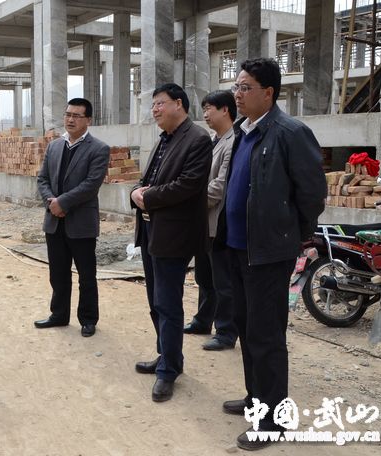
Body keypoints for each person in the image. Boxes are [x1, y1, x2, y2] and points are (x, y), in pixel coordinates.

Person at [216, 58, 326, 450]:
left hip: (267, 254)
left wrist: (293, 236)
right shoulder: (243, 132)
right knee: (247, 329)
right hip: (237, 249)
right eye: (236, 86)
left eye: (245, 87)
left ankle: (274, 421)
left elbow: (312, 194)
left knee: (266, 336)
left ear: (268, 93)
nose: (237, 94)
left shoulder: (290, 132)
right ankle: (255, 400)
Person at [130, 83, 212, 402]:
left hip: (174, 235)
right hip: (151, 231)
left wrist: (147, 196)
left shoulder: (197, 139)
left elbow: (188, 185)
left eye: (160, 103)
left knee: (167, 302)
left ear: (178, 104)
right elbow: (147, 179)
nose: (155, 110)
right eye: (152, 105)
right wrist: (136, 192)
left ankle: (169, 371)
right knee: (155, 300)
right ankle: (167, 355)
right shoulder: (164, 139)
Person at [34, 98, 110, 337]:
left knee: (86, 275)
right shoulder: (55, 146)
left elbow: (91, 185)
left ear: (88, 120)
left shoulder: (98, 149)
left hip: (81, 223)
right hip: (54, 221)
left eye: (77, 116)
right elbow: (42, 179)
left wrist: (63, 203)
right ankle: (59, 314)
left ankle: (88, 319)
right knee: (58, 273)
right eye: (68, 114)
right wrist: (52, 203)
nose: (70, 119)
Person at [183, 90, 238, 351]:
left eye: (209, 109)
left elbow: (220, 187)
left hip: (220, 223)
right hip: (204, 222)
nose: (205, 114)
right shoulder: (214, 141)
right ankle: (203, 320)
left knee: (223, 281)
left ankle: (226, 332)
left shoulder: (233, 142)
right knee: (204, 276)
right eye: (203, 109)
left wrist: (188, 202)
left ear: (225, 110)